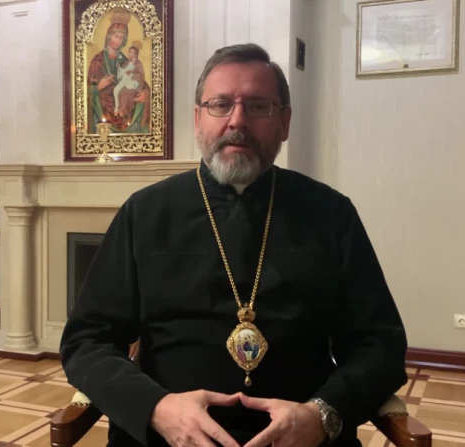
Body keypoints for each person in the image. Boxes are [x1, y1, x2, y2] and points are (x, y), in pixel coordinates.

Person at [60, 43, 408, 447]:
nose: (237, 120)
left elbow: (380, 344)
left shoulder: (332, 214)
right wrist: (156, 408)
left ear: (285, 122)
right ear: (198, 119)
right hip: (164, 439)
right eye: (220, 105)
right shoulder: (145, 212)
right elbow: (87, 340)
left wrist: (321, 415)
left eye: (258, 106)